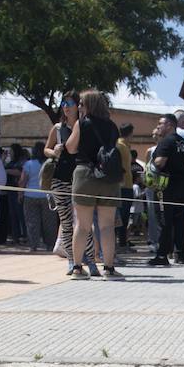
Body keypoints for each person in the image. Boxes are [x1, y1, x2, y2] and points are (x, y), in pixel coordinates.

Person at [65, 89, 125, 279]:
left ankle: (76, 268)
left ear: (89, 105)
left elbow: (70, 148)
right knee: (107, 226)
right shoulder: (112, 126)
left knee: (82, 225)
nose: (79, 106)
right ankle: (108, 268)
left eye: (81, 103)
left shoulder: (81, 124)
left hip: (85, 175)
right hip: (108, 176)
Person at [44, 94, 98, 275]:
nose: (65, 107)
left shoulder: (86, 126)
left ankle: (90, 259)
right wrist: (53, 151)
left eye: (70, 103)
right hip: (60, 179)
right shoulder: (58, 128)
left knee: (84, 223)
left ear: (78, 106)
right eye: (63, 103)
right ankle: (71, 261)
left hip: (81, 180)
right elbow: (46, 149)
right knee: (66, 222)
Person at [147, 113, 184, 267]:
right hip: (182, 186)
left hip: (165, 188)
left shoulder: (166, 141)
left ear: (170, 125)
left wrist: (150, 166)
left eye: (161, 123)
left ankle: (161, 255)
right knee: (179, 221)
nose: (158, 126)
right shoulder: (183, 142)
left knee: (163, 221)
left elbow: (160, 163)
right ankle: (181, 255)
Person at [20, 143, 57, 251]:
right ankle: (50, 244)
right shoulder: (50, 163)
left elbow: (23, 180)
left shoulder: (28, 164)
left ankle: (33, 244)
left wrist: (20, 193)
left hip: (30, 195)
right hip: (47, 195)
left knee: (32, 221)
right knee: (49, 222)